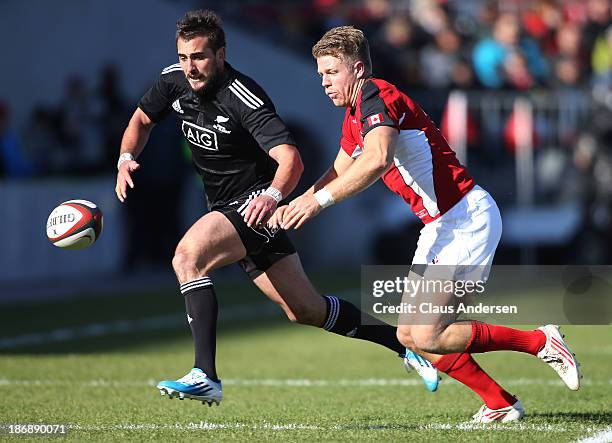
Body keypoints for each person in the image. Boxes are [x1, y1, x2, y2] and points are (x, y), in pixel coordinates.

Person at [114, 10, 435, 407]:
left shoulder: (243, 95)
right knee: (306, 310)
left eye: (198, 57)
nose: (190, 67)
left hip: (253, 204)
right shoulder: (172, 81)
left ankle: (205, 375)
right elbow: (142, 119)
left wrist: (271, 196)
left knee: (187, 257)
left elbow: (291, 160)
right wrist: (126, 157)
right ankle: (403, 346)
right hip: (225, 207)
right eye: (183, 57)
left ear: (220, 53)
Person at [274, 25, 582, 422]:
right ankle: (500, 402)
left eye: (332, 72)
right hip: (441, 224)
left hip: (465, 218)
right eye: (320, 74)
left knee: (429, 333)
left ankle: (540, 341)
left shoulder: (375, 95)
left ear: (358, 69)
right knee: (410, 336)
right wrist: (300, 200)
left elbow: (378, 158)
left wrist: (317, 204)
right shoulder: (356, 114)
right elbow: (341, 166)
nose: (325, 82)